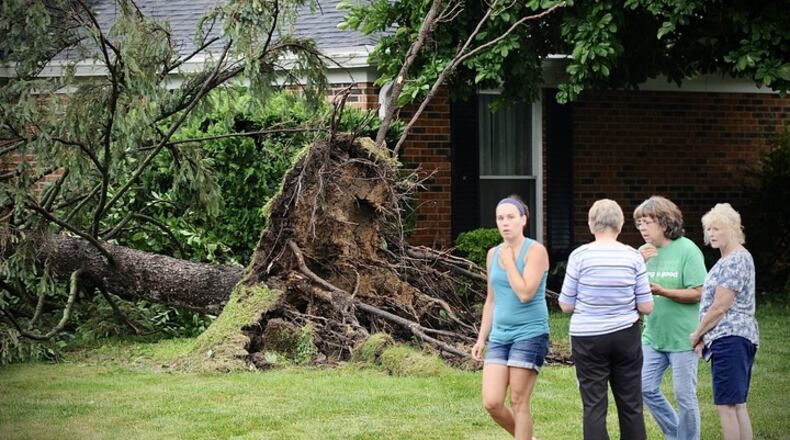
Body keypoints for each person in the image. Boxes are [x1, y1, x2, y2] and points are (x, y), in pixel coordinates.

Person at [559, 199, 654, 439]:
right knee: (631, 404)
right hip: (625, 336)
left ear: (591, 225)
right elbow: (646, 305)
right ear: (620, 225)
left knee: (593, 404)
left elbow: (566, 305)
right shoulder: (633, 257)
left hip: (587, 336)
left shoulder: (579, 256)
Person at [471, 195, 550, 440]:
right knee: (492, 402)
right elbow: (491, 300)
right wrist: (481, 338)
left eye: (511, 217)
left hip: (530, 333)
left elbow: (526, 293)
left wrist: (510, 264)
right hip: (500, 336)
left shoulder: (535, 251)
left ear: (523, 220)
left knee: (518, 400)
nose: (505, 223)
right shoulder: (493, 253)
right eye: (500, 218)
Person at [633, 196, 707, 440]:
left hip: (683, 338)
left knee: (685, 396)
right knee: (644, 388)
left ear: (665, 223)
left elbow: (699, 293)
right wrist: (638, 263)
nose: (642, 228)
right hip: (653, 336)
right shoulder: (640, 253)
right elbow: (626, 289)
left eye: (647, 222)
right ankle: (677, 434)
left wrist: (663, 291)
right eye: (639, 223)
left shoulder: (688, 250)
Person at [690, 203, 759, 440]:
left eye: (717, 228)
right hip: (734, 339)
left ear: (732, 228)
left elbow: (720, 306)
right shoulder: (731, 259)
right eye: (709, 229)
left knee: (727, 407)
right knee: (737, 404)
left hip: (731, 339)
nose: (711, 234)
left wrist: (697, 333)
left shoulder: (735, 260)